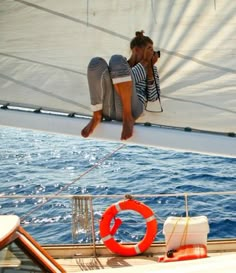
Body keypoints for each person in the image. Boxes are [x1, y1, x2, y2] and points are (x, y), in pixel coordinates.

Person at [81, 30, 160, 140]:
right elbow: (126, 78)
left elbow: (153, 97)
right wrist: (145, 62)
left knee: (116, 60)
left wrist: (149, 70)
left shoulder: (152, 69)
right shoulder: (120, 66)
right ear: (136, 50)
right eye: (149, 49)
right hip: (109, 109)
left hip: (133, 110)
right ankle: (97, 115)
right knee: (98, 62)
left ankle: (127, 117)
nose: (152, 53)